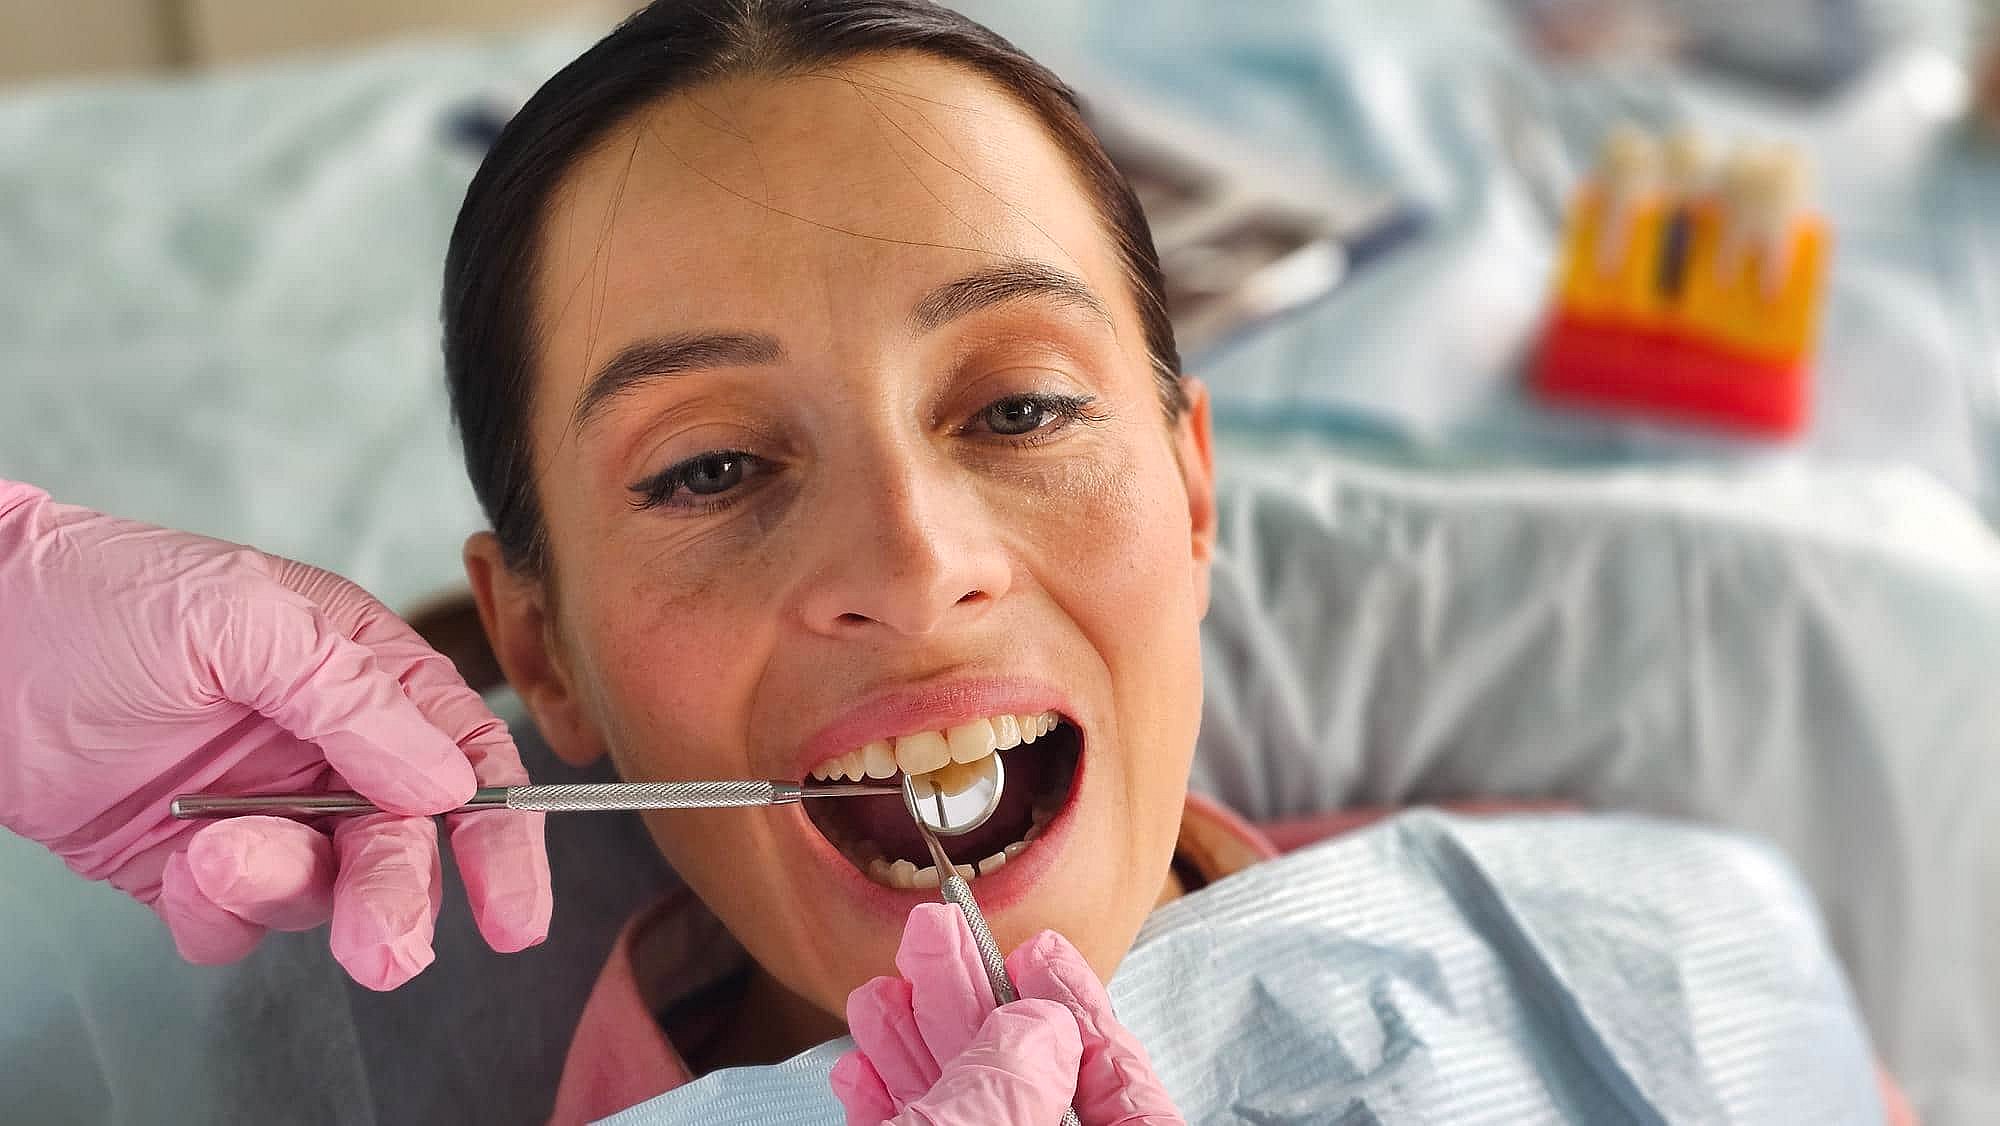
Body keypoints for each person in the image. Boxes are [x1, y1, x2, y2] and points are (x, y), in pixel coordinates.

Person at [0, 2, 1916, 1123]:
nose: (914, 564)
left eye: (1016, 409)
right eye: (716, 465)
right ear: (544, 650)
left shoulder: (1614, 941)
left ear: (1189, 487)